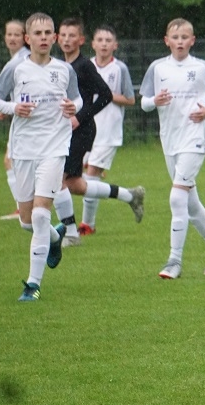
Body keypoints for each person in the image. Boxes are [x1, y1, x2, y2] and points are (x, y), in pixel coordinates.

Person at [0, 12, 79, 302]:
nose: (43, 37)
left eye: (48, 33)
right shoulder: (16, 68)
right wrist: (14, 107)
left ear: (54, 37)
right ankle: (55, 237)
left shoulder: (65, 69)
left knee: (40, 215)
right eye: (37, 33)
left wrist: (73, 107)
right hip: (24, 150)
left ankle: (32, 285)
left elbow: (77, 99)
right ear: (28, 38)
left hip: (54, 148)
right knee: (27, 221)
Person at [140, 18, 205, 279]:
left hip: (194, 139)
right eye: (175, 37)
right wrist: (155, 100)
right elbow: (144, 102)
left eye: (184, 37)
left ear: (192, 41)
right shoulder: (157, 68)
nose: (179, 41)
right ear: (166, 41)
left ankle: (174, 261)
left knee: (177, 197)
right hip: (170, 141)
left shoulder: (201, 67)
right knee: (190, 203)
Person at [52, 18, 145, 247]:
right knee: (74, 184)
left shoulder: (84, 66)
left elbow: (105, 95)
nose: (66, 39)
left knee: (57, 179)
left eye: (72, 35)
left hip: (82, 130)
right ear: (57, 38)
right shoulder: (59, 66)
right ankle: (130, 195)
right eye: (63, 35)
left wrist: (79, 118)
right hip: (66, 130)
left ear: (81, 40)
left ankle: (72, 233)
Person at [80, 24, 137, 235]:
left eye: (108, 40)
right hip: (86, 129)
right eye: (100, 40)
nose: (104, 44)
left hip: (108, 131)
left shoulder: (120, 68)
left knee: (90, 176)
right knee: (77, 177)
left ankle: (87, 225)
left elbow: (130, 99)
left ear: (115, 45)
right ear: (93, 44)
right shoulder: (85, 66)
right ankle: (129, 195)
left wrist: (106, 94)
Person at [0, 19, 29, 220]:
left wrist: (7, 107)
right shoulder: (16, 60)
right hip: (19, 119)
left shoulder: (22, 60)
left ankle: (24, 208)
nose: (12, 38)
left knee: (14, 161)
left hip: (26, 122)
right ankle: (24, 207)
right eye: (9, 34)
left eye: (17, 34)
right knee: (12, 161)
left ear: (24, 38)